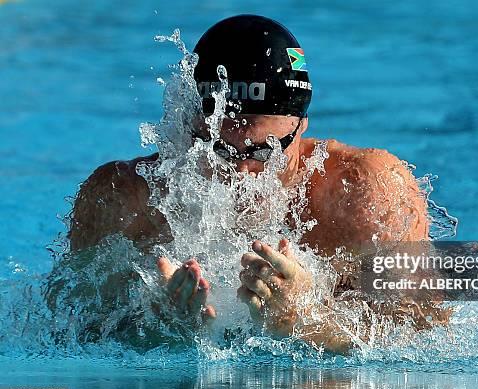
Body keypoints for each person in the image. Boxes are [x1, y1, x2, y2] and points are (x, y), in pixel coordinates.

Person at [68, 15, 435, 353]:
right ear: (189, 126)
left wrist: (306, 319)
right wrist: (149, 324)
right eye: (218, 150)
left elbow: (427, 326)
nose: (240, 174)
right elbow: (61, 321)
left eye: (264, 152)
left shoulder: (367, 188)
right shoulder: (123, 197)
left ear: (301, 125)